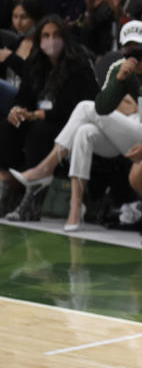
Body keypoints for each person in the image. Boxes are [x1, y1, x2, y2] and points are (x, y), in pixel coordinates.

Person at [6, 20, 142, 229]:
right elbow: (104, 106)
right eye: (128, 47)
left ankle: (45, 168)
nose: (134, 52)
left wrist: (137, 119)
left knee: (84, 108)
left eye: (139, 46)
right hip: (128, 130)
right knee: (85, 131)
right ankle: (75, 207)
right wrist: (119, 80)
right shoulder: (118, 68)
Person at [0, 15, 97, 223]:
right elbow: (24, 96)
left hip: (69, 125)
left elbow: (73, 108)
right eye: (45, 35)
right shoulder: (36, 64)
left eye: (55, 35)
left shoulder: (79, 66)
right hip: (40, 118)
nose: (50, 40)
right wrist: (18, 110)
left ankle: (32, 202)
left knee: (39, 131)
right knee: (8, 126)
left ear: (65, 38)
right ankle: (5, 188)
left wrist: (35, 114)